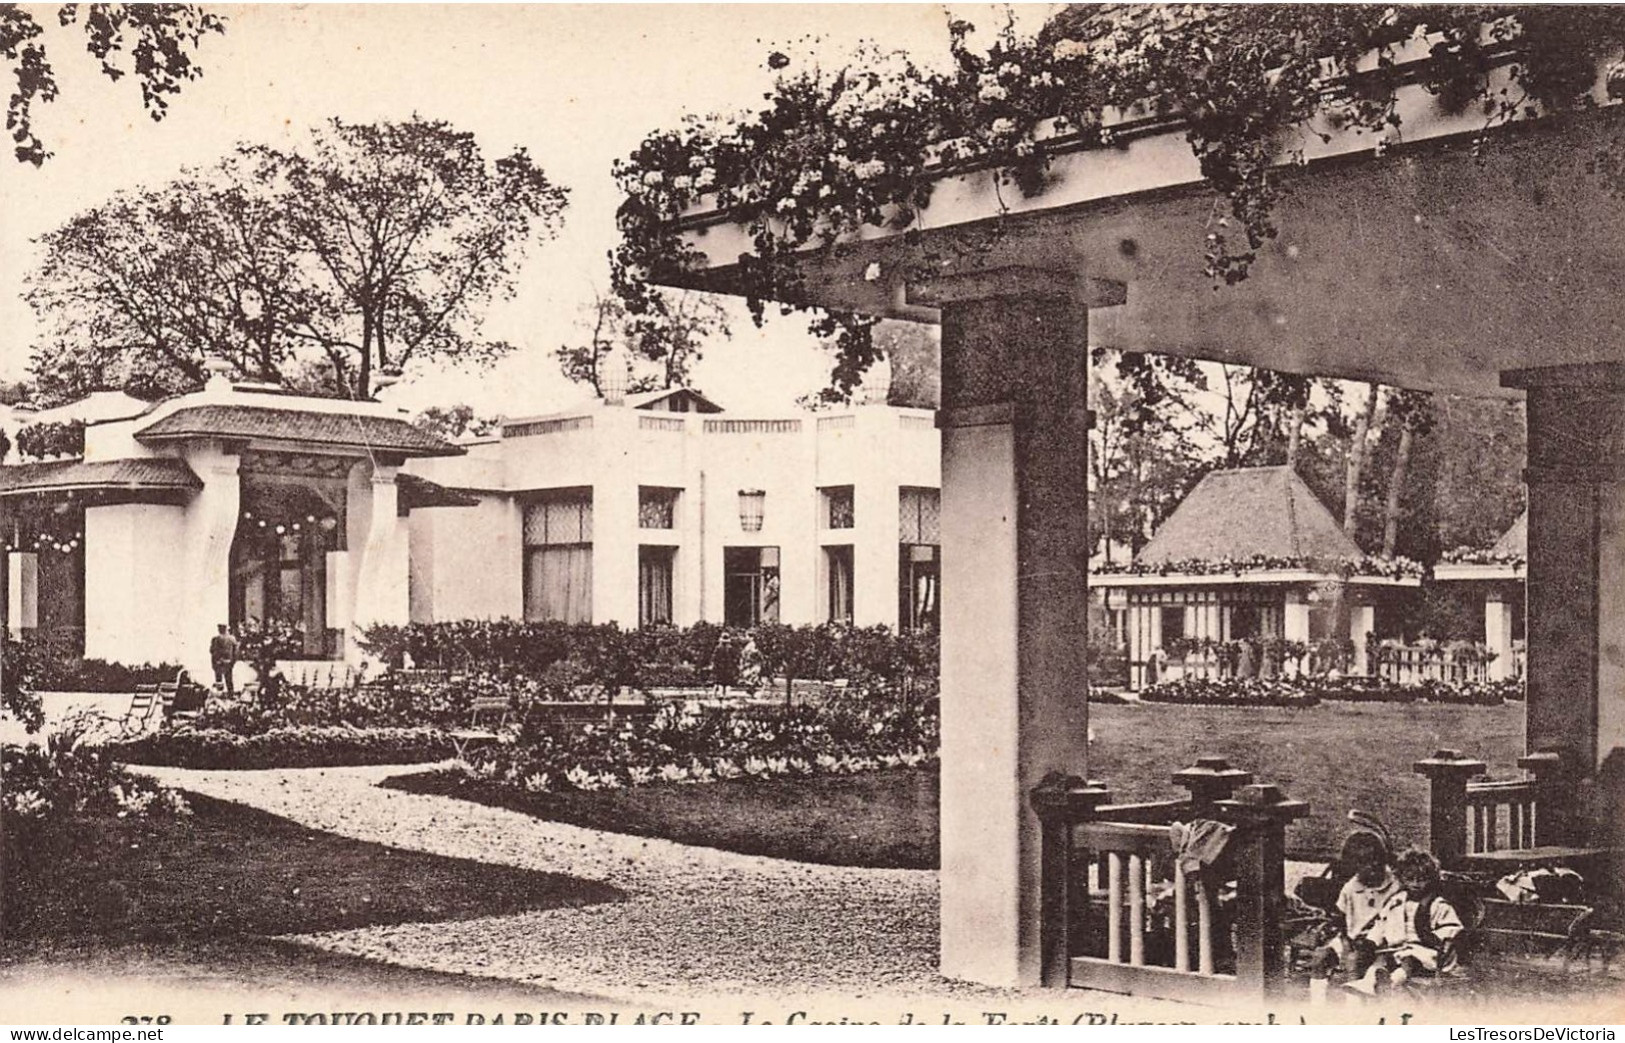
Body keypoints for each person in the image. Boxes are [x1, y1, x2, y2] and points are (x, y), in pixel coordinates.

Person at [1308, 817, 1399, 1003]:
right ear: (1353, 867)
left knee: (1353, 961)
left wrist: (1364, 945)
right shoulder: (1351, 888)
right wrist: (1344, 940)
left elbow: (1393, 925)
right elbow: (1341, 919)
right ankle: (1316, 1009)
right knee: (1320, 957)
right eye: (1363, 865)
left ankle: (1355, 1013)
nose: (1372, 869)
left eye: (1376, 863)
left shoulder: (1395, 886)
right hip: (1353, 938)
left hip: (1384, 944)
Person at [1361, 848, 1466, 992]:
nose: (1416, 884)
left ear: (1430, 879)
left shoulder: (1437, 904)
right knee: (1379, 960)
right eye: (1410, 879)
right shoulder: (1396, 901)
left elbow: (1452, 927)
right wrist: (1372, 940)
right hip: (1397, 947)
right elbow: (1381, 923)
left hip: (1425, 949)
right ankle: (1367, 984)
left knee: (1409, 959)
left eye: (1422, 879)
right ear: (1401, 878)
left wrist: (1436, 937)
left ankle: (1392, 982)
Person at [209, 623, 239, 695]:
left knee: (219, 680)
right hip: (228, 663)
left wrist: (214, 663)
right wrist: (233, 662)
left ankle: (220, 694)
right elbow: (236, 652)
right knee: (229, 680)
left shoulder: (215, 639)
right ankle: (230, 694)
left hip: (218, 662)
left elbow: (212, 651)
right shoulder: (232, 639)